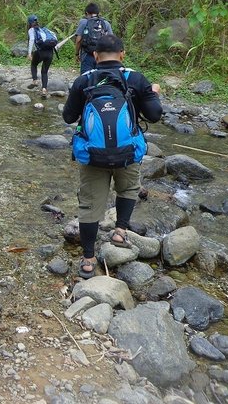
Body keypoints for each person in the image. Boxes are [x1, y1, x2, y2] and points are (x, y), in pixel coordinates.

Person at [62, 34, 162, 279]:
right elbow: (155, 115)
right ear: (122, 54)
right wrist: (153, 93)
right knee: (128, 189)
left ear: (95, 56)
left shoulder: (83, 80)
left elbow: (68, 117)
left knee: (89, 205)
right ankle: (119, 232)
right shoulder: (135, 78)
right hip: (127, 153)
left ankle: (88, 259)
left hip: (92, 155)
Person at [74, 3, 112, 74]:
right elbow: (111, 41)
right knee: (100, 78)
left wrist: (76, 54)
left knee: (86, 78)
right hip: (102, 56)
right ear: (98, 13)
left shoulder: (83, 22)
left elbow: (78, 40)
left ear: (86, 13)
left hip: (86, 55)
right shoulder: (106, 23)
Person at [26, 14, 57, 97]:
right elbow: (54, 37)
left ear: (29, 23)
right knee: (44, 72)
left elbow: (32, 40)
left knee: (33, 64)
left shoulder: (31, 30)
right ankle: (44, 89)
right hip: (50, 52)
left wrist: (29, 53)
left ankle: (35, 81)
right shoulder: (44, 29)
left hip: (40, 52)